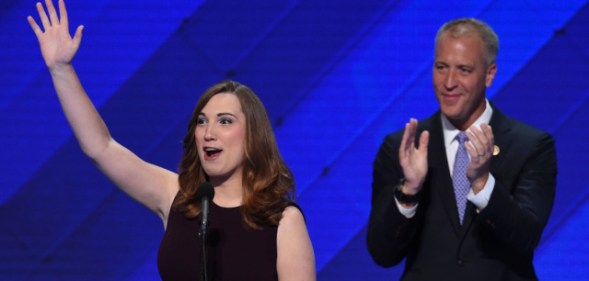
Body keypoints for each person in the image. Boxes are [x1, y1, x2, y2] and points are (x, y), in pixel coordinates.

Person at [27, 1, 316, 280]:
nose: (208, 132)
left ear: (254, 136)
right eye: (202, 121)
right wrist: (61, 70)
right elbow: (100, 147)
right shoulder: (178, 196)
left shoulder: (283, 221)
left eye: (225, 121)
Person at [366, 18, 557, 280]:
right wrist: (409, 192)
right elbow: (382, 253)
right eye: (441, 67)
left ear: (489, 74)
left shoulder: (531, 146)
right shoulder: (403, 147)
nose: (449, 82)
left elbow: (525, 238)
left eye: (464, 70)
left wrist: (482, 184)